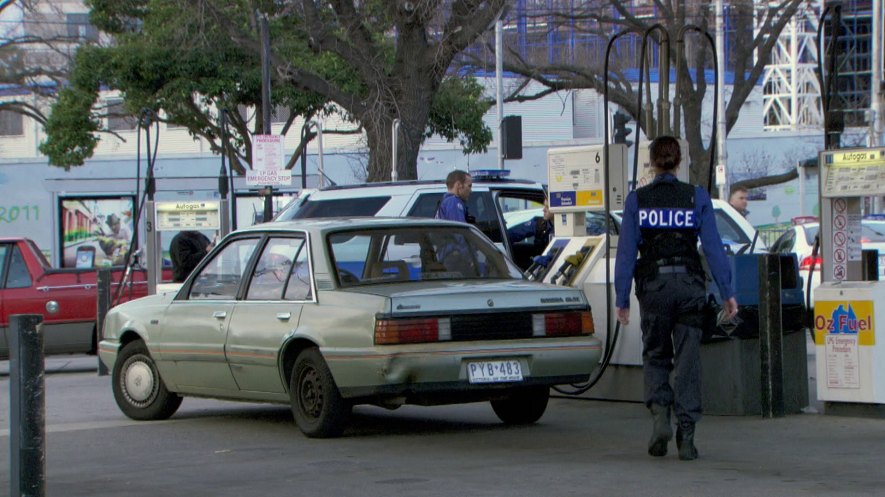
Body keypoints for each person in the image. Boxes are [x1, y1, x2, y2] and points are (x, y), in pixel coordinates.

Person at [614, 136, 738, 461]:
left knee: (656, 354)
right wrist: (727, 292)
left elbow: (625, 253)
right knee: (688, 360)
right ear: (679, 161)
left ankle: (660, 418)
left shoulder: (637, 200)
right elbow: (713, 247)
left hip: (654, 289)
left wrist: (621, 298)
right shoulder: (696, 197)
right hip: (689, 287)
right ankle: (687, 436)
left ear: (652, 163)